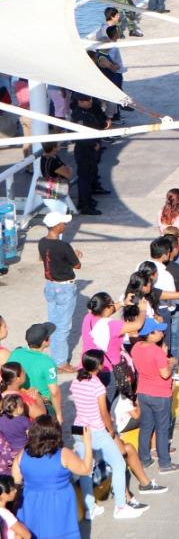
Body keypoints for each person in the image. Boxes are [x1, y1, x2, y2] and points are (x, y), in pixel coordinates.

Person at [69, 352, 147, 520]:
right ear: (98, 366)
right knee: (119, 464)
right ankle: (120, 506)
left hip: (78, 428)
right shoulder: (97, 385)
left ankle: (90, 509)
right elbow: (103, 412)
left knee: (86, 470)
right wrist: (110, 430)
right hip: (96, 430)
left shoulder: (76, 382)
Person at [13, 416, 94, 533]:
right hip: (58, 503)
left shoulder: (22, 454)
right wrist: (88, 443)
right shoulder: (64, 454)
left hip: (30, 503)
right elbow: (86, 469)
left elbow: (16, 479)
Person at [132, 318, 179, 475]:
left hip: (143, 393)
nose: (162, 333)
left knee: (146, 426)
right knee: (162, 429)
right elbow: (165, 374)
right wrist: (171, 362)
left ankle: (144, 459)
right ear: (150, 334)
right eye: (159, 331)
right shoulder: (156, 351)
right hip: (160, 395)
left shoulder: (136, 347)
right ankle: (165, 463)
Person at [36, 212, 80, 372]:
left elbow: (44, 259)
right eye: (63, 223)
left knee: (53, 322)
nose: (65, 226)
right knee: (63, 326)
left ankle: (56, 357)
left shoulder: (42, 242)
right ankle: (61, 362)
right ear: (56, 226)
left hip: (50, 285)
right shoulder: (63, 246)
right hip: (64, 287)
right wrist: (75, 255)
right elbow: (77, 265)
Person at [9, 324, 61, 422]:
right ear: (45, 341)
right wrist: (58, 414)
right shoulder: (48, 362)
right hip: (42, 404)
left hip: (20, 401)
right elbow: (54, 392)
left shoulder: (16, 353)